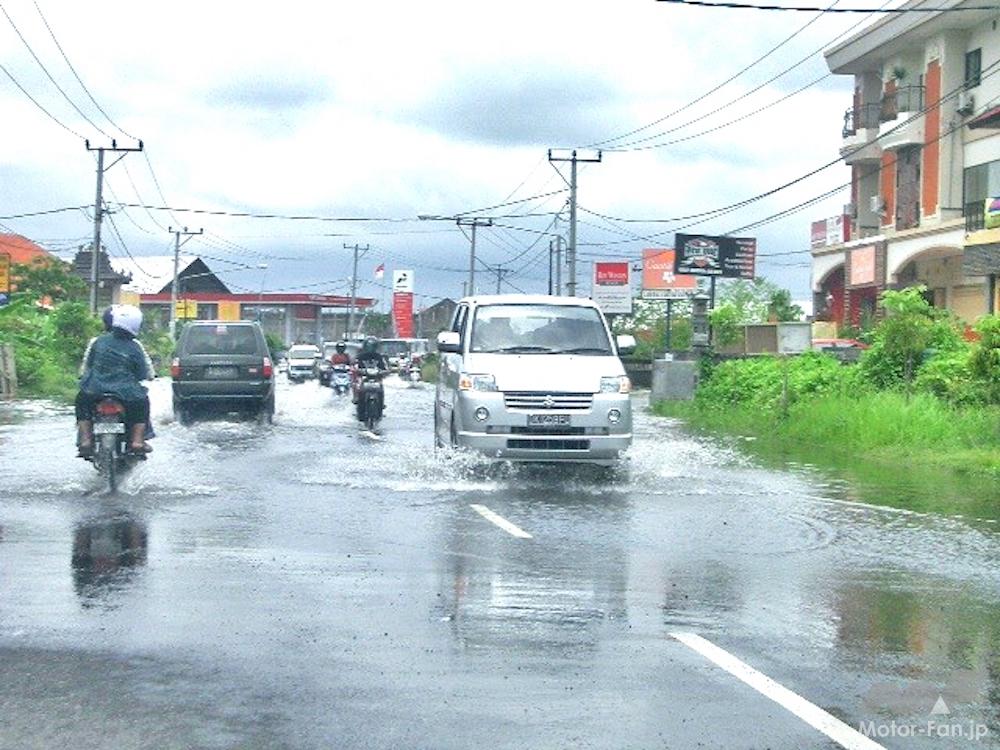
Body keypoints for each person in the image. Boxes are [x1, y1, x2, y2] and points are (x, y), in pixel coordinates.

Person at [75, 305, 153, 458]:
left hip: (94, 390)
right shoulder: (135, 346)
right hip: (127, 393)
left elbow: (88, 366)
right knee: (143, 404)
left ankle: (85, 440)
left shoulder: (98, 342)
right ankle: (137, 441)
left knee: (81, 402)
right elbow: (142, 373)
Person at [351, 336, 388, 405]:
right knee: (356, 385)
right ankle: (356, 398)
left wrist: (385, 371)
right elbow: (355, 364)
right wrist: (356, 369)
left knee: (381, 387)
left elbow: (384, 367)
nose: (370, 348)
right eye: (369, 346)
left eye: (372, 346)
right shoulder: (360, 356)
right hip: (363, 376)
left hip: (376, 377)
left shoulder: (379, 356)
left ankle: (381, 402)